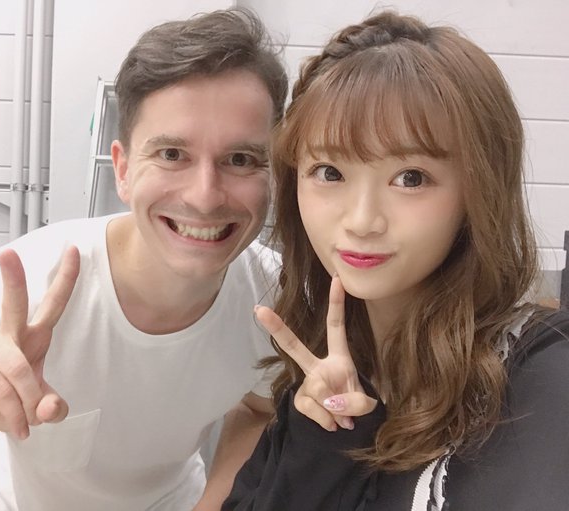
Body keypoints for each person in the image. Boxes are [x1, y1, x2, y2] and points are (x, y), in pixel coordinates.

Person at [0, 8, 288, 511]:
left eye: (241, 159)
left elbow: (258, 406)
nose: (205, 196)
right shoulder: (21, 285)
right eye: (171, 154)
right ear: (122, 170)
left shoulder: (274, 300)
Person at [223, 11, 569, 511]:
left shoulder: (540, 373)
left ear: (478, 191)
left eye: (411, 178)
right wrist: (324, 443)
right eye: (329, 172)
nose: (362, 220)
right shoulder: (316, 387)